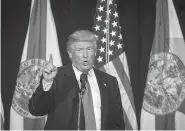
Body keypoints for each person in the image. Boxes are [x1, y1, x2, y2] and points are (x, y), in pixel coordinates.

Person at [28, 30, 125, 130]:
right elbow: (36, 110)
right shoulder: (55, 77)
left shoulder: (109, 82)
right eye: (79, 50)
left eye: (89, 49)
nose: (85, 55)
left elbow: (117, 123)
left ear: (95, 52)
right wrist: (47, 82)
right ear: (70, 54)